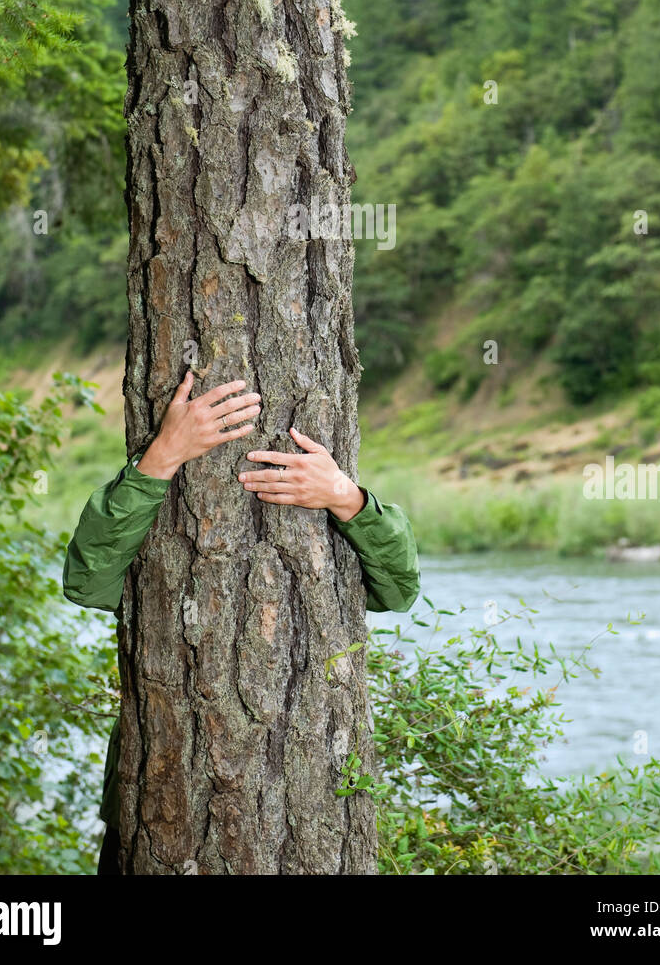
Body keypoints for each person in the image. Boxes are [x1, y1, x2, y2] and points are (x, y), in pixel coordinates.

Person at [62, 370, 420, 874]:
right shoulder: (146, 493)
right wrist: (164, 455)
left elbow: (400, 589)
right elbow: (87, 579)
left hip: (309, 809)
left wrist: (345, 496)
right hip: (158, 806)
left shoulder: (335, 511)